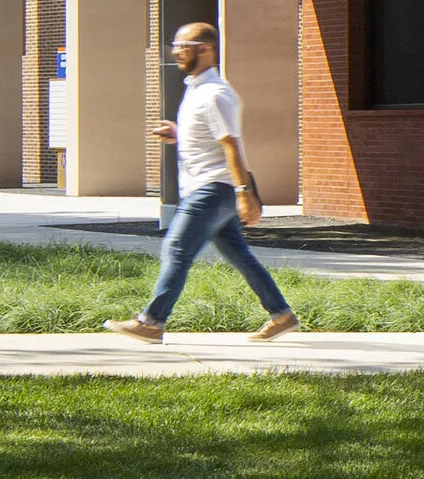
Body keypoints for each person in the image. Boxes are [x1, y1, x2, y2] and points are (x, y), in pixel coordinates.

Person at [105, 20, 298, 344]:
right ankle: (282, 315)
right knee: (239, 255)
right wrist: (179, 134)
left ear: (205, 49)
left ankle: (151, 322)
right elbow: (210, 137)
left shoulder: (215, 94)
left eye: (184, 46)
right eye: (176, 46)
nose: (176, 52)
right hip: (209, 187)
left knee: (177, 248)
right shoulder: (196, 90)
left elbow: (231, 145)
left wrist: (245, 193)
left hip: (213, 188)